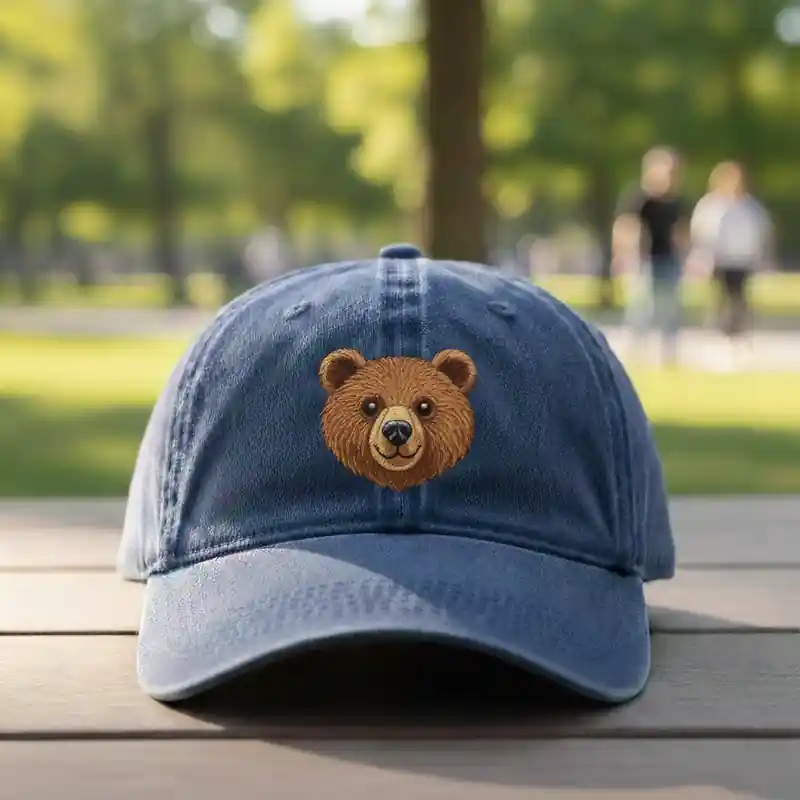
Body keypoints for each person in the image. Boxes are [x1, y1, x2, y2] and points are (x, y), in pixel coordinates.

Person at [689, 161, 773, 367]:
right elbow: (702, 233)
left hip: (742, 261)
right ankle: (719, 342)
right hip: (720, 261)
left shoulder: (750, 207)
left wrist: (762, 257)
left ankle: (738, 342)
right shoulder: (711, 205)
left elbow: (763, 232)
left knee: (740, 301)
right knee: (722, 301)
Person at [612, 147, 690, 367]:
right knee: (641, 308)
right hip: (643, 261)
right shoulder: (638, 199)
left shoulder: (676, 202)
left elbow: (682, 231)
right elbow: (624, 227)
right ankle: (635, 351)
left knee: (670, 308)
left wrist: (687, 254)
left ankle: (669, 354)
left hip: (669, 259)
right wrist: (623, 255)